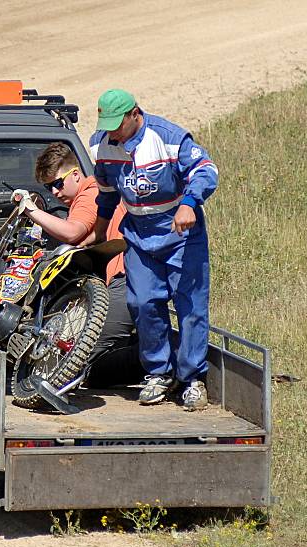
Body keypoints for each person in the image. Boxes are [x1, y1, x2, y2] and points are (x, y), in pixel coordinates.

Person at [91, 89, 218, 411]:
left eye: (117, 124)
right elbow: (106, 192)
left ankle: (191, 379)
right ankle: (158, 373)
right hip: (139, 237)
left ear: (135, 114)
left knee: (190, 308)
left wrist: (190, 204)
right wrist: (99, 230)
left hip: (181, 234)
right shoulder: (102, 145)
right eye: (107, 125)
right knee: (142, 301)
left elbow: (206, 171)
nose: (113, 132)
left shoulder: (170, 138)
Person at [19, 142, 140, 386]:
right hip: (123, 280)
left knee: (80, 360)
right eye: (48, 187)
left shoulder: (89, 193)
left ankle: (165, 357)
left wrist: (31, 211)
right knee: (82, 354)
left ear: (75, 174)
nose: (54, 192)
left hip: (124, 281)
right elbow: (86, 239)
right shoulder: (95, 194)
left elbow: (72, 232)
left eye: (57, 183)